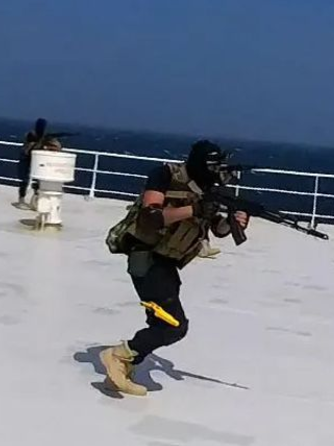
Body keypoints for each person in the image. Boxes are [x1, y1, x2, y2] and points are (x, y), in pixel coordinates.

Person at [100, 140, 248, 396]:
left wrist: (236, 222)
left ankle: (123, 368)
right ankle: (117, 356)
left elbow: (218, 229)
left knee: (160, 321)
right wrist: (194, 208)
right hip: (146, 258)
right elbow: (151, 216)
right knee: (173, 326)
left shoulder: (205, 189)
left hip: (167, 263)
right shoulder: (165, 175)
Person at [17, 118, 48, 205]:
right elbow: (30, 145)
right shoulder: (32, 134)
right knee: (25, 180)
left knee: (37, 179)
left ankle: (35, 198)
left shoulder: (40, 136)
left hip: (34, 159)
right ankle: (22, 199)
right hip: (26, 158)